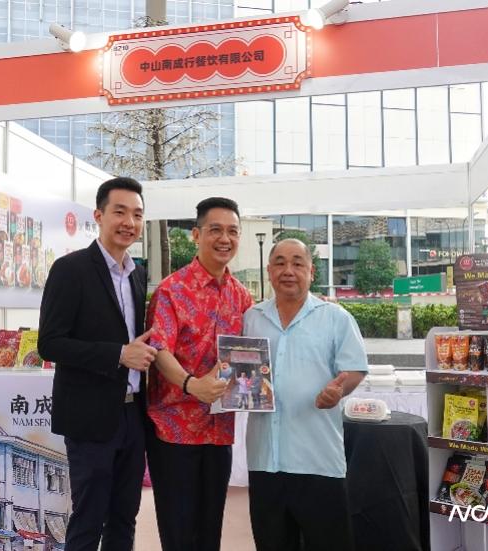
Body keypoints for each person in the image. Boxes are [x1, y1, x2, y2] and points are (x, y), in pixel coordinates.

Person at [38, 177, 156, 551]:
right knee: (88, 519)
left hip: (132, 415)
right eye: (120, 212)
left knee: (124, 518)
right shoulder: (70, 269)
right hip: (89, 418)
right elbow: (49, 343)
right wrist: (117, 354)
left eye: (137, 214)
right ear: (99, 215)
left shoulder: (138, 274)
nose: (129, 222)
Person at [243, 238, 368, 551]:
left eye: (297, 263)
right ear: (269, 271)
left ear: (311, 272)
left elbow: (355, 369)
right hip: (265, 460)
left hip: (318, 459)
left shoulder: (336, 318)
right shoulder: (252, 318)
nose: (288, 270)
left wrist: (338, 391)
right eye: (280, 263)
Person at [146, 197, 253, 551]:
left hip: (219, 431)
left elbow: (253, 353)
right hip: (175, 430)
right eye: (215, 230)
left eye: (233, 231)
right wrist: (192, 384)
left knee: (210, 533)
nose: (225, 238)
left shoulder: (242, 296)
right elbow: (159, 350)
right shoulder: (171, 290)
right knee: (178, 534)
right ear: (196, 234)